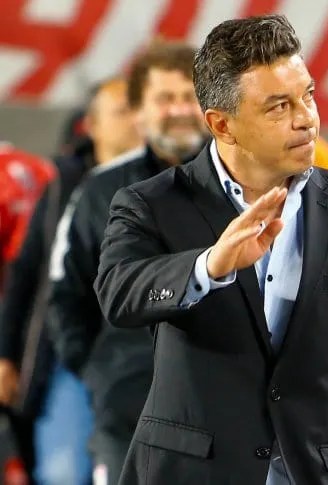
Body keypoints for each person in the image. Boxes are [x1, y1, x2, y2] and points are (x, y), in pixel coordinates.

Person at [94, 15, 328, 484]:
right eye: (279, 107)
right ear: (222, 125)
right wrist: (208, 266)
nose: (306, 118)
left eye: (308, 95)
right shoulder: (151, 203)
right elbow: (119, 292)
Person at [48, 41, 208, 484]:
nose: (180, 110)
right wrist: (98, 370)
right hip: (127, 410)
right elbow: (66, 293)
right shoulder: (100, 190)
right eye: (165, 98)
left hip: (227, 407)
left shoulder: (246, 181)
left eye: (190, 96)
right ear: (138, 112)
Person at [0, 75, 142, 485]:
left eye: (138, 109)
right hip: (72, 351)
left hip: (143, 354)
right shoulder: (63, 184)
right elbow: (27, 272)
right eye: (122, 111)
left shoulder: (175, 181)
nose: (134, 120)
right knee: (62, 472)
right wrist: (6, 354)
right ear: (92, 125)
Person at [0, 143, 55, 481]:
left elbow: (24, 271)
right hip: (30, 327)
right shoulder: (38, 168)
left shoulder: (26, 172)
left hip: (24, 326)